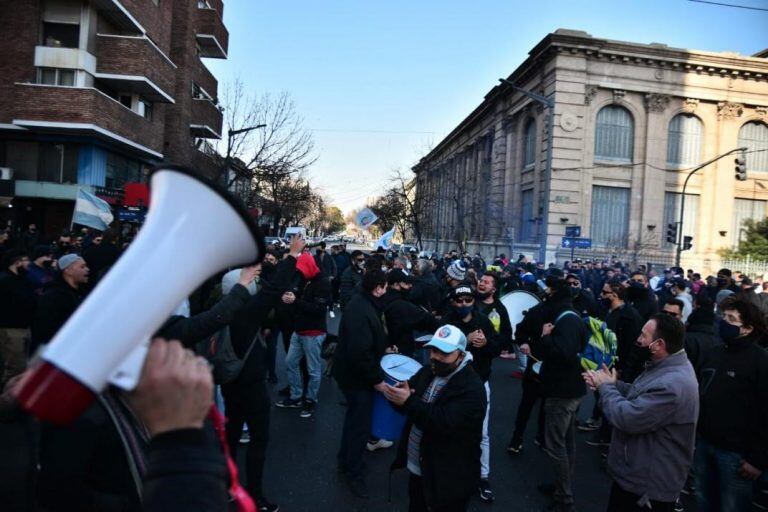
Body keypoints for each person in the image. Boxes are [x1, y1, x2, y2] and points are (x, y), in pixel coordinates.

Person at [584, 313, 698, 512]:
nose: (638, 339)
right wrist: (614, 385)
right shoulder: (664, 367)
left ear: (659, 344)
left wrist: (606, 389)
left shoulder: (672, 383)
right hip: (637, 477)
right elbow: (641, 395)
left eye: (644, 336)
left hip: (647, 488)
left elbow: (627, 417)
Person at [386, 325, 487, 512]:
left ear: (461, 354)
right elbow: (409, 400)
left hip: (449, 477)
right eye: (433, 350)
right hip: (420, 468)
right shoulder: (429, 371)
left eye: (444, 352)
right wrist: (397, 396)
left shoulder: (472, 388)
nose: (436, 357)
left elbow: (444, 423)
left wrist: (408, 401)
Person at [694, 295, 768, 512]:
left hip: (737, 456)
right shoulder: (715, 353)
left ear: (747, 328)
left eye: (731, 319)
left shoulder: (760, 361)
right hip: (705, 444)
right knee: (704, 502)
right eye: (723, 316)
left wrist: (758, 460)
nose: (723, 322)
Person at [333, 269, 394, 499]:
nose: (386, 291)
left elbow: (367, 341)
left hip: (353, 375)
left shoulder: (363, 303)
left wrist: (384, 348)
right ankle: (353, 472)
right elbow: (360, 353)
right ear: (378, 288)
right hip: (356, 379)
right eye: (385, 287)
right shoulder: (362, 309)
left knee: (353, 422)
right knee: (359, 426)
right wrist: (377, 381)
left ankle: (345, 461)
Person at [529, 276, 588, 512]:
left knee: (555, 445)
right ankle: (561, 485)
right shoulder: (570, 317)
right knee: (567, 442)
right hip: (570, 389)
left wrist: (544, 337)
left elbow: (563, 353)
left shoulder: (566, 321)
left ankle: (564, 498)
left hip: (562, 392)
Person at [442, 284, 501, 502]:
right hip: (451, 383)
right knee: (449, 427)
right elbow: (438, 351)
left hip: (479, 383)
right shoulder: (447, 322)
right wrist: (464, 342)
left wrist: (485, 343)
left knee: (482, 433)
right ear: (453, 302)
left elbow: (497, 347)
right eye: (460, 301)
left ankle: (483, 476)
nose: (464, 304)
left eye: (468, 300)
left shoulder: (484, 321)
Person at [276, 252, 331, 418]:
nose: (300, 272)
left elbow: (319, 310)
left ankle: (310, 400)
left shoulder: (323, 282)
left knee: (313, 370)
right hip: (298, 331)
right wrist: (290, 297)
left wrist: (296, 301)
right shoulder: (304, 278)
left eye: (302, 269)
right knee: (290, 362)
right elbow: (298, 297)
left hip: (313, 333)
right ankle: (296, 396)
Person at [30, 253, 89, 351]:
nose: (87, 269)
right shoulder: (54, 296)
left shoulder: (80, 293)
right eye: (82, 266)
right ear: (68, 270)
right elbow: (44, 328)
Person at [0, 249, 36, 384]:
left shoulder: (23, 280)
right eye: (26, 261)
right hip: (10, 330)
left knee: (21, 368)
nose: (29, 264)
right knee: (15, 369)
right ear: (17, 263)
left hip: (24, 328)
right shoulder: (4, 282)